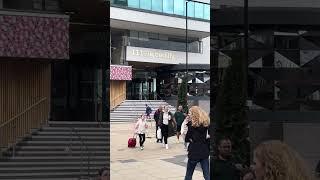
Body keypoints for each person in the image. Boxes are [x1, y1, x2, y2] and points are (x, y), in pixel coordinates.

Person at [184, 106, 210, 180]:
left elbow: (186, 139)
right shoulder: (206, 124)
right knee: (207, 175)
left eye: (190, 113)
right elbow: (208, 138)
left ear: (194, 114)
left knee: (189, 174)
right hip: (204, 151)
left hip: (194, 152)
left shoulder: (191, 125)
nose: (188, 115)